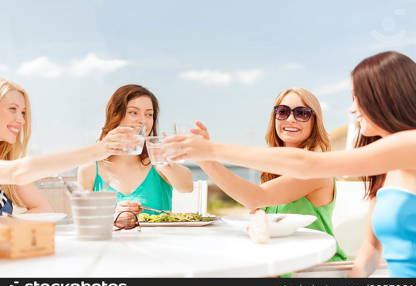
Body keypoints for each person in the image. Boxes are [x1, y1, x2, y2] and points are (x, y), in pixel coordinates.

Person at [163, 51, 416, 278]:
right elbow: (371, 249)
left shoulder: (411, 144)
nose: (351, 109)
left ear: (386, 98)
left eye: (358, 97)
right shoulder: (385, 170)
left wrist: (210, 151)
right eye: (282, 112)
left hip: (313, 269)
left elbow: (305, 165)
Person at [190, 88, 347, 262]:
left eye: (302, 113)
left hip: (316, 266)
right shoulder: (272, 169)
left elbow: (255, 197)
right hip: (278, 261)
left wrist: (207, 160)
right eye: (283, 112)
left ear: (314, 122)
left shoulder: (316, 168)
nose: (290, 119)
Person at [0, 78, 137, 216]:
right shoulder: (13, 172)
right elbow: (18, 172)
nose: (21, 120)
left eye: (23, 112)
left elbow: (44, 210)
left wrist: (7, 224)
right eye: (13, 109)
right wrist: (100, 150)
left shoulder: (7, 164)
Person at [78, 84, 193, 216]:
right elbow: (83, 219)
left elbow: (187, 187)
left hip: (158, 237)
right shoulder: (89, 169)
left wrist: (166, 162)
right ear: (115, 115)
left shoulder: (157, 163)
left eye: (149, 114)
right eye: (133, 112)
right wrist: (112, 215)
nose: (143, 120)